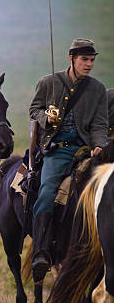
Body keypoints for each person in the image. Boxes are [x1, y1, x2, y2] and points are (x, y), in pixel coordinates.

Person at [29, 38, 108, 282]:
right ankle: (40, 252)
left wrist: (98, 146)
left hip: (85, 149)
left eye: (92, 60)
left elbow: (99, 124)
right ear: (71, 58)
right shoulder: (49, 82)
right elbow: (34, 110)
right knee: (46, 192)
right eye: (84, 59)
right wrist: (46, 119)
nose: (89, 64)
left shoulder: (97, 89)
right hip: (57, 149)